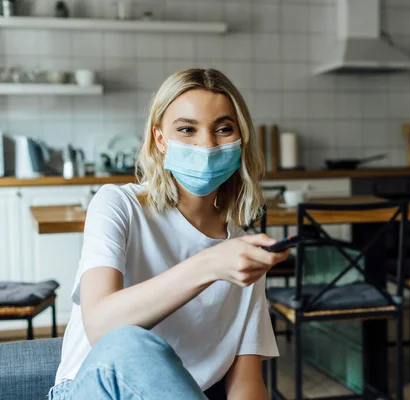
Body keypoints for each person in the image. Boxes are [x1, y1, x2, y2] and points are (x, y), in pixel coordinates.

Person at [49, 68, 290, 400]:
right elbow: (101, 327)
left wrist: (223, 261)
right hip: (92, 389)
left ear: (240, 140)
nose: (206, 144)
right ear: (160, 140)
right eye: (187, 129)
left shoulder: (240, 252)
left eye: (223, 129)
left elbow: (245, 384)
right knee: (129, 342)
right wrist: (209, 265)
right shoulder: (117, 205)